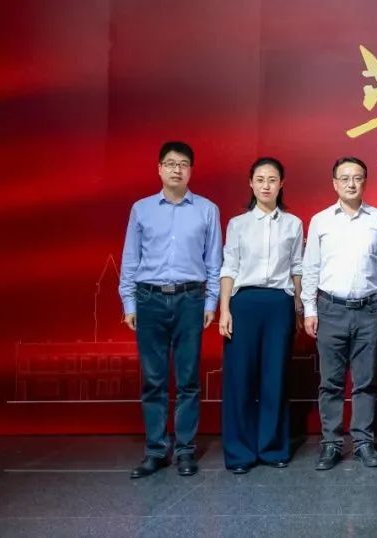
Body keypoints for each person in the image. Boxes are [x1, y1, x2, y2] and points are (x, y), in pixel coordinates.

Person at [119, 141, 222, 478]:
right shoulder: (141, 209)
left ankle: (185, 451)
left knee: (188, 378)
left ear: (191, 170)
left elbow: (214, 261)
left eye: (183, 164)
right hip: (149, 298)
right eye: (170, 163)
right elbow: (130, 259)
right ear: (159, 168)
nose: (177, 169)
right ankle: (155, 451)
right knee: (154, 380)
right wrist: (129, 302)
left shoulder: (207, 210)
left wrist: (210, 302)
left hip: (190, 299)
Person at [302, 156, 377, 470]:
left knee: (365, 381)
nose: (351, 184)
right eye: (344, 178)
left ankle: (363, 443)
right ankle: (331, 443)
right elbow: (311, 268)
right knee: (330, 382)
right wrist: (310, 309)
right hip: (330, 309)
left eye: (357, 178)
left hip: (368, 309)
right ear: (334, 183)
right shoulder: (321, 221)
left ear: (365, 182)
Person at [218, 157, 303, 474]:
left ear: (281, 184)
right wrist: (225, 309)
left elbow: (297, 268)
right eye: (260, 179)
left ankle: (272, 448)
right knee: (240, 379)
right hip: (244, 302)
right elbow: (229, 268)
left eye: (272, 180)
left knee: (275, 377)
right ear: (251, 184)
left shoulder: (293, 224)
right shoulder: (238, 224)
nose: (266, 185)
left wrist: (299, 307)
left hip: (279, 303)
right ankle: (239, 452)